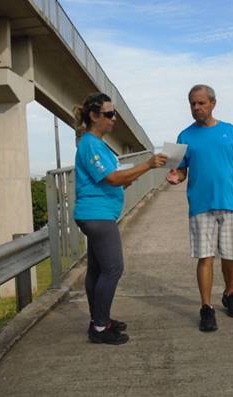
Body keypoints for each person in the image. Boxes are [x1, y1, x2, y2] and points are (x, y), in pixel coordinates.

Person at [167, 84, 233, 332]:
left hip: (231, 202)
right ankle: (206, 307)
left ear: (213, 103)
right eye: (192, 103)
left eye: (201, 103)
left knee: (232, 256)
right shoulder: (184, 136)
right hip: (201, 205)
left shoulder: (230, 131)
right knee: (205, 257)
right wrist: (176, 177)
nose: (196, 108)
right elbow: (179, 170)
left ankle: (230, 292)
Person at [74, 93, 167, 344]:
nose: (114, 119)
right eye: (109, 114)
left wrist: (130, 176)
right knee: (114, 268)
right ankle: (100, 328)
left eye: (113, 113)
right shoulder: (90, 144)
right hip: (97, 215)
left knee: (97, 269)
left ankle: (99, 319)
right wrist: (147, 165)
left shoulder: (96, 143)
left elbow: (114, 178)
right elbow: (112, 178)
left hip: (97, 213)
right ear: (94, 116)